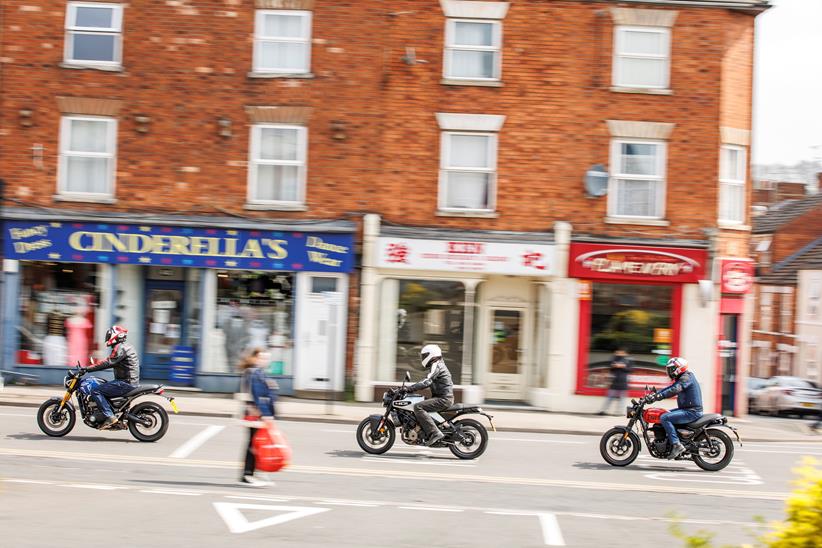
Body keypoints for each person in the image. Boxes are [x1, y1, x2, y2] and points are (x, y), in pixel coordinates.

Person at [642, 357, 703, 460]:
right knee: (664, 414)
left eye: (671, 369)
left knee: (665, 418)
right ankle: (671, 441)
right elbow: (669, 388)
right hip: (687, 409)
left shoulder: (686, 378)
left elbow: (674, 389)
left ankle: (676, 445)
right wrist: (656, 395)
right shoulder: (683, 377)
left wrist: (658, 397)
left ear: (679, 368)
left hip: (691, 411)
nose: (669, 372)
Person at [84, 325, 139, 429]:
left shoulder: (120, 348)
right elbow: (110, 361)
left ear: (115, 336)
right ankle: (110, 413)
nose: (107, 337)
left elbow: (108, 362)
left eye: (109, 335)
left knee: (96, 391)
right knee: (104, 386)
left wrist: (87, 369)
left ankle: (110, 417)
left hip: (125, 383)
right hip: (128, 382)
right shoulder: (125, 347)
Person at [238, 348, 279, 486]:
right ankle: (248, 475)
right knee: (254, 444)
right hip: (254, 415)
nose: (265, 361)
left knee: (258, 444)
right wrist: (265, 414)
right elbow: (257, 396)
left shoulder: (258, 372)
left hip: (256, 414)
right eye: (262, 358)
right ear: (255, 358)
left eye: (267, 358)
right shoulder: (253, 372)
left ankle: (257, 473)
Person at [401, 344, 454, 447]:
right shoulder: (437, 365)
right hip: (441, 397)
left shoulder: (437, 365)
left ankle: (435, 433)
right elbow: (427, 380)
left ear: (432, 355)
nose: (423, 358)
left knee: (418, 406)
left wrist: (409, 388)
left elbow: (426, 381)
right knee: (420, 401)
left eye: (425, 355)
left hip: (443, 399)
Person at [598, 347, 633, 416]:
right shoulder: (614, 358)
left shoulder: (629, 360)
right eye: (618, 352)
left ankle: (621, 413)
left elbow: (631, 370)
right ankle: (603, 411)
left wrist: (623, 366)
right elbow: (610, 367)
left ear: (625, 353)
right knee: (609, 397)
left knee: (623, 399)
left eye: (621, 352)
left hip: (623, 381)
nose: (619, 353)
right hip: (614, 381)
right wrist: (614, 365)